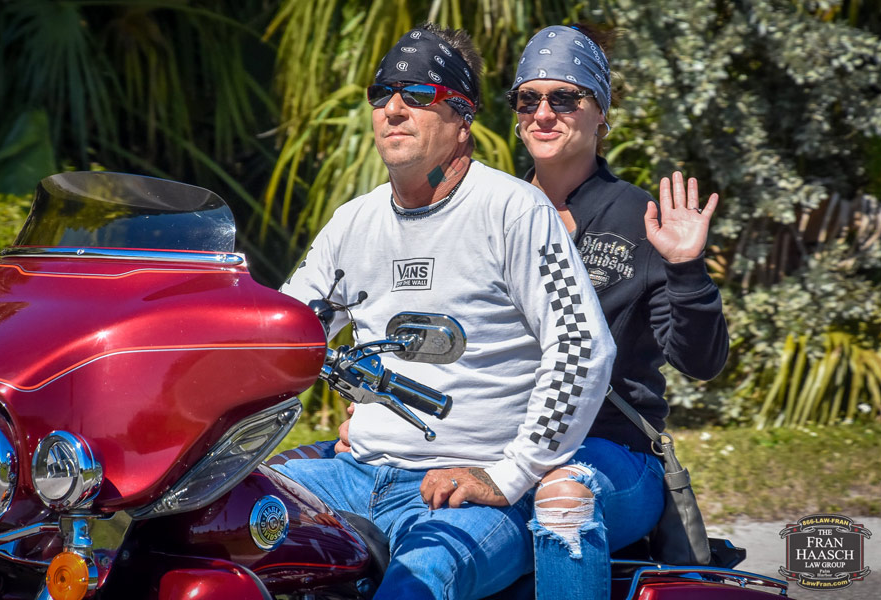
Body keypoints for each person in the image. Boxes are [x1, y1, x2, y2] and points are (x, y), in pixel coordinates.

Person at [274, 23, 616, 600]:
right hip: (352, 474)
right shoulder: (353, 222)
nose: (394, 109)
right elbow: (285, 335)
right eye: (382, 94)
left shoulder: (513, 210)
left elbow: (582, 348)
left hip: (463, 485)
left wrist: (509, 475)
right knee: (209, 525)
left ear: (463, 118)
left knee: (415, 585)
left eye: (417, 93)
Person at [508, 24, 729, 600]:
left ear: (601, 113)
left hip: (611, 454)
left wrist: (686, 268)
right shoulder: (494, 210)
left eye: (565, 98)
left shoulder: (638, 217)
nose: (543, 114)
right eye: (528, 99)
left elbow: (700, 362)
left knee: (563, 499)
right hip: (502, 447)